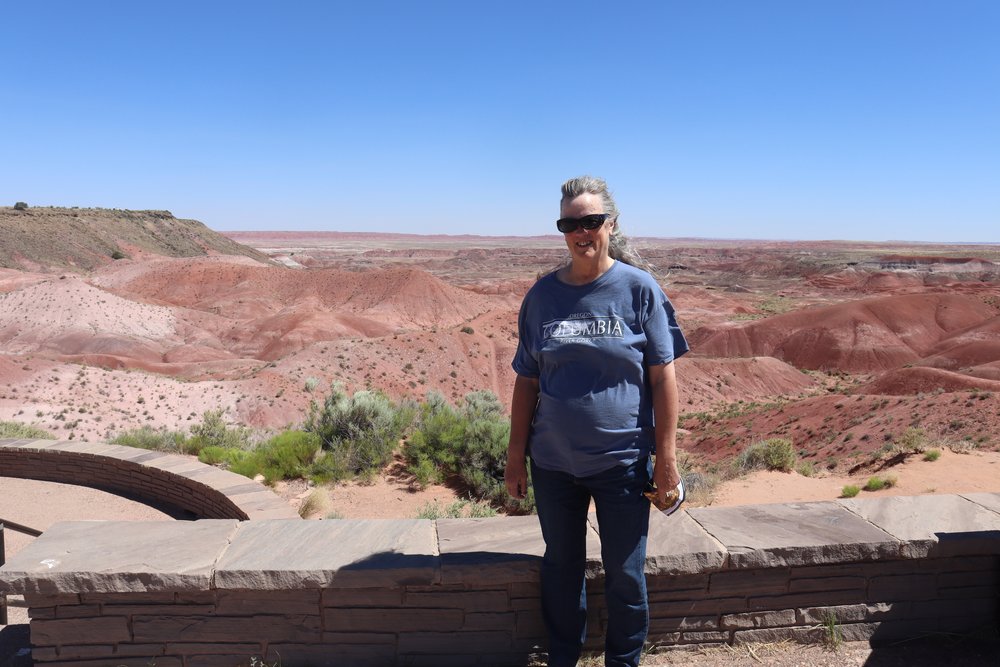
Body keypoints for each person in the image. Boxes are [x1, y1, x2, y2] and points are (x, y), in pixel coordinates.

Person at [505, 176, 688, 667]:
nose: (580, 232)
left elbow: (663, 381)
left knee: (625, 574)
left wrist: (666, 461)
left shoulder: (639, 290)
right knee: (561, 569)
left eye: (590, 221)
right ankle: (563, 658)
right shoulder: (542, 297)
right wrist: (514, 458)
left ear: (610, 223)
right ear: (562, 230)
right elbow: (526, 381)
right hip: (553, 465)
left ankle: (623, 662)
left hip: (622, 463)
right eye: (570, 223)